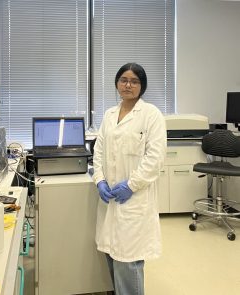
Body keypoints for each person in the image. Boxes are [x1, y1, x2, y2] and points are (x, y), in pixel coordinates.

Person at [92, 62, 167, 295]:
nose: (128, 85)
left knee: (129, 259)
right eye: (124, 80)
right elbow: (99, 150)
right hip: (110, 200)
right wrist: (100, 180)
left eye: (134, 81)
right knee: (112, 254)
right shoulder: (109, 114)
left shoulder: (151, 115)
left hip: (134, 199)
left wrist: (131, 185)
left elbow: (154, 158)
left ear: (141, 86)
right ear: (117, 83)